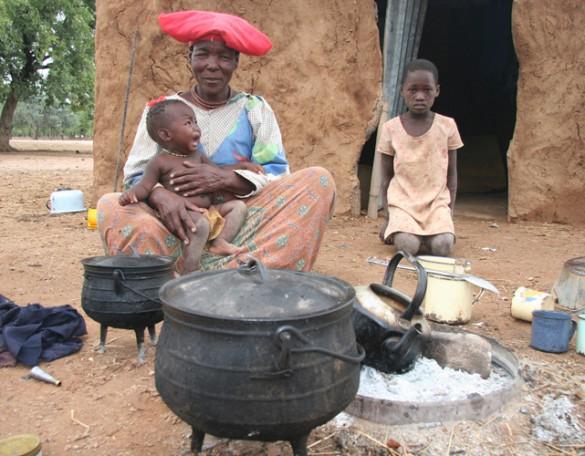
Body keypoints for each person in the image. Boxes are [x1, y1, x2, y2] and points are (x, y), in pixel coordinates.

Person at [96, 10, 336, 273]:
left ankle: (221, 267)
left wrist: (225, 179)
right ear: (190, 59)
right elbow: (135, 176)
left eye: (223, 56)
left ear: (236, 62)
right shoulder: (161, 110)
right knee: (110, 204)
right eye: (202, 54)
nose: (212, 65)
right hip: (172, 221)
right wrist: (162, 197)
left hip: (238, 222)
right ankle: (189, 271)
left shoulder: (254, 108)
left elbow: (276, 174)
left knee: (319, 180)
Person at [119, 98, 255, 272]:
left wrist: (241, 166)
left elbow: (218, 170)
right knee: (201, 226)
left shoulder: (198, 156)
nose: (196, 127)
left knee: (238, 207)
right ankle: (190, 265)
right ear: (166, 135)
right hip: (184, 217)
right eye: (188, 123)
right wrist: (130, 194)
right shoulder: (159, 162)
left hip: (209, 211)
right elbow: (145, 187)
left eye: (195, 122)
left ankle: (219, 241)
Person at [378, 59, 463, 256]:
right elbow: (385, 178)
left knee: (443, 246)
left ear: (437, 91)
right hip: (403, 204)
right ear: (402, 91)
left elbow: (452, 176)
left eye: (427, 90)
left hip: (436, 204)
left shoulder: (447, 126)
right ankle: (411, 233)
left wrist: (448, 214)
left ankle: (432, 234)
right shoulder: (391, 128)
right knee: (407, 246)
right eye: (412, 90)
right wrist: (387, 218)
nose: (419, 96)